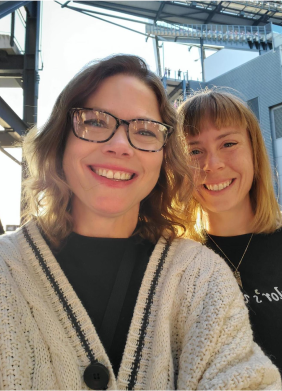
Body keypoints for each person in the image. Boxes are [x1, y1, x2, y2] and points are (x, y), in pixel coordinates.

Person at [0, 56, 280, 391]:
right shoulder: (8, 272)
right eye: (95, 122)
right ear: (59, 140)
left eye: (145, 130)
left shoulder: (199, 276)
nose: (119, 145)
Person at [178, 89, 282, 373]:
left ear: (254, 151)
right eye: (194, 150)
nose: (212, 164)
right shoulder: (174, 265)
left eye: (228, 144)